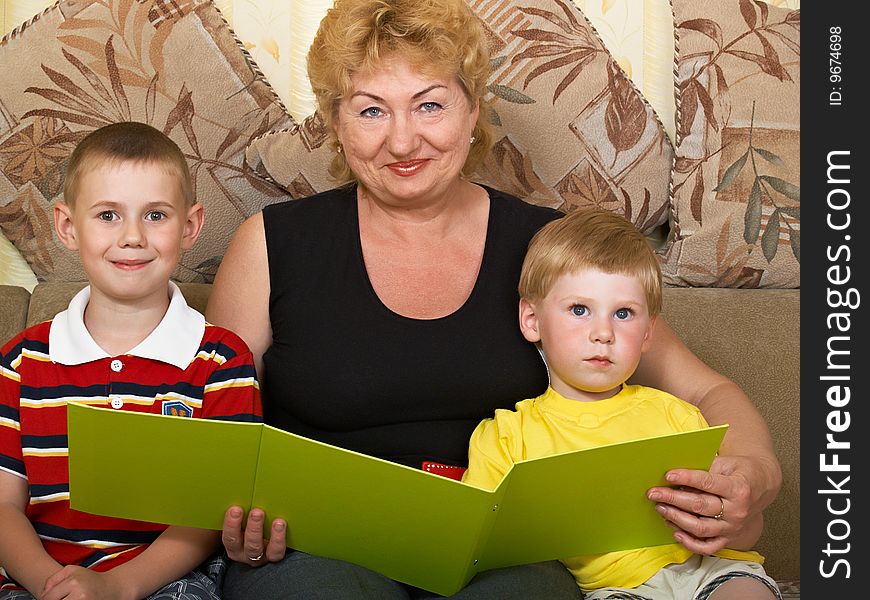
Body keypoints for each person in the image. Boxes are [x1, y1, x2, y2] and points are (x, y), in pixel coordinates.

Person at [206, 0, 781, 598]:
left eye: (430, 104)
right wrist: (233, 514)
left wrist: (754, 476)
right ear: (335, 121)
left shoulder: (553, 247)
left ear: (474, 110)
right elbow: (209, 429)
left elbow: (704, 390)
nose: (403, 140)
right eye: (372, 110)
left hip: (505, 555)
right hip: (320, 543)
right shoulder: (270, 244)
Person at [461, 208, 781, 600]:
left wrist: (730, 521)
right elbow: (476, 543)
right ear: (532, 319)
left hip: (713, 570)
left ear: (648, 333)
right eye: (579, 310)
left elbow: (745, 525)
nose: (603, 334)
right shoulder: (508, 435)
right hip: (617, 589)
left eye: (623, 314)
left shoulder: (675, 414)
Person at [0, 122, 262, 600]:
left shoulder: (221, 361)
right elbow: (3, 507)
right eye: (107, 215)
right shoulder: (21, 362)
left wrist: (118, 586)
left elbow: (213, 513)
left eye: (156, 215)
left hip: (169, 581)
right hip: (35, 580)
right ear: (66, 225)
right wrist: (50, 587)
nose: (132, 237)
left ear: (190, 226)